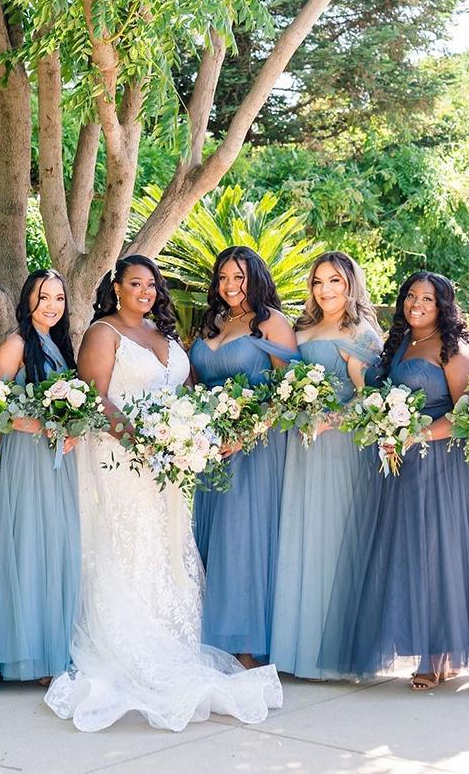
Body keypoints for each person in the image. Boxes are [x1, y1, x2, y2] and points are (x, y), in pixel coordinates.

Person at [45, 254, 282, 731]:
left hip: (167, 463)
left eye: (151, 285)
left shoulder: (165, 336)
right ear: (117, 287)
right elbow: (96, 398)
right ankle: (127, 640)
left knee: (167, 543)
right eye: (136, 283)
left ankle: (173, 638)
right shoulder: (103, 333)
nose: (146, 292)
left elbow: (190, 391)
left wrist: (188, 436)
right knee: (125, 544)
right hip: (120, 457)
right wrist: (145, 442)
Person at [318, 272, 469, 689]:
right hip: (402, 469)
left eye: (428, 299)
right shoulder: (399, 344)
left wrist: (414, 433)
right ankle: (432, 648)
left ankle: (435, 655)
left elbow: (466, 415)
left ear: (443, 306)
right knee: (411, 555)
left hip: (444, 468)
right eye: (411, 296)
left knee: (439, 556)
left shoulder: (457, 350)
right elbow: (378, 400)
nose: (416, 304)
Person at [270, 252, 382, 678]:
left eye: (335, 281)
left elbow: (370, 399)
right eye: (318, 282)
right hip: (301, 443)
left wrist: (330, 420)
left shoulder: (362, 332)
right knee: (300, 533)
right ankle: (297, 648)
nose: (326, 290)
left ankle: (337, 654)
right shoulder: (300, 328)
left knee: (334, 538)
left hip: (341, 446)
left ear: (351, 284)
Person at [189, 246, 298, 667]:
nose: (230, 286)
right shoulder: (211, 322)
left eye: (239, 277)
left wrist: (248, 430)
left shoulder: (272, 323)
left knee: (243, 537)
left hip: (254, 447)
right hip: (210, 446)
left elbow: (290, 390)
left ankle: (247, 642)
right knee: (214, 535)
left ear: (256, 277)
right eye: (223, 278)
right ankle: (213, 637)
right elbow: (196, 383)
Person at [0, 270, 80, 684]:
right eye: (43, 297)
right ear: (28, 299)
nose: (51, 305)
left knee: (57, 544)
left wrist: (72, 430)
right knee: (31, 542)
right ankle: (31, 654)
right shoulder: (15, 344)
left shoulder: (59, 346)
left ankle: (54, 647)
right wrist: (38, 425)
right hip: (26, 458)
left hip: (58, 460)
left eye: (58, 298)